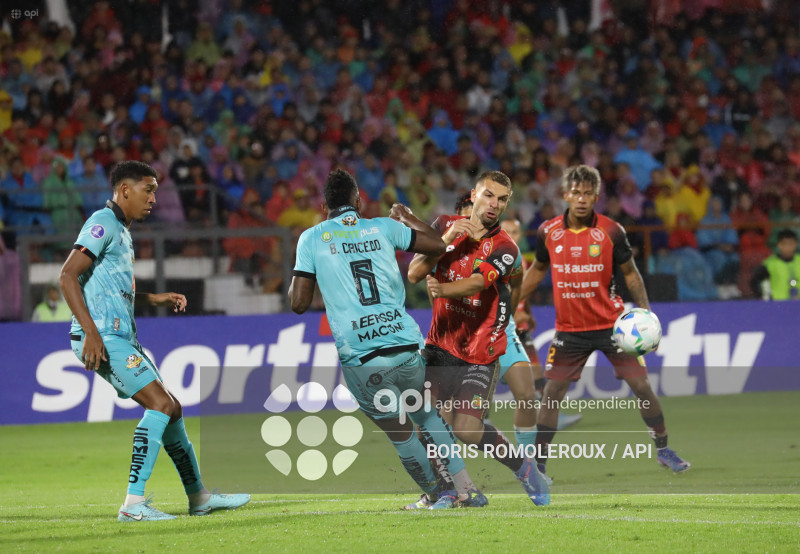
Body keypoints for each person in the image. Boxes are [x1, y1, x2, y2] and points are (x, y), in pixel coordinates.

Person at [59, 161, 250, 521]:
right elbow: (67, 276)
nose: (153, 199)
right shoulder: (101, 223)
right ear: (125, 190)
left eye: (156, 191)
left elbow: (110, 288)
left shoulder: (122, 230)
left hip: (119, 335)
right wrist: (92, 333)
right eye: (148, 189)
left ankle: (199, 497)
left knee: (172, 408)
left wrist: (154, 298)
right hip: (101, 335)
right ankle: (133, 504)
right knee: (160, 405)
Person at [289, 169, 485, 510]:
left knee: (401, 432)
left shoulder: (312, 238)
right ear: (358, 201)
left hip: (364, 359)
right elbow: (438, 245)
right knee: (427, 416)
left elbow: (299, 303)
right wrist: (408, 217)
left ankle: (439, 493)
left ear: (324, 206)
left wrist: (303, 269)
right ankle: (467, 490)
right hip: (406, 346)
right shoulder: (383, 226)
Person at [520, 165, 690, 475]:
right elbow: (537, 270)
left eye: (588, 194)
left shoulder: (611, 231)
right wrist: (516, 298)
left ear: (596, 196)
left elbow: (631, 274)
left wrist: (646, 313)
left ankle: (664, 449)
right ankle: (539, 466)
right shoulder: (548, 231)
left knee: (641, 385)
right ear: (565, 195)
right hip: (570, 331)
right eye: (576, 193)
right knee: (552, 393)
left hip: (613, 326)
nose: (581, 199)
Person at [408, 171, 550, 507]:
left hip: (480, 351)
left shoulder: (505, 247)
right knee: (422, 422)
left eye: (502, 200)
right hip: (440, 347)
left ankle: (523, 468)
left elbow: (477, 282)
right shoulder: (444, 223)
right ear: (473, 195)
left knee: (467, 430)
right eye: (489, 195)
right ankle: (453, 492)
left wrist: (442, 289)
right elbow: (414, 273)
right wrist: (444, 240)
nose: (494, 204)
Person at [455, 195, 582, 444]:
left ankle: (533, 454)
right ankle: (481, 423)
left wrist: (523, 314)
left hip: (509, 328)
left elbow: (518, 292)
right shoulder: (457, 253)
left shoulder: (512, 255)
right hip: (472, 335)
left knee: (529, 383)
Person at [750, 229, 800, 300]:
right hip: (777, 304)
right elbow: (756, 284)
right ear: (779, 245)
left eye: (790, 244)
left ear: (796, 244)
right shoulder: (769, 263)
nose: (788, 247)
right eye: (784, 244)